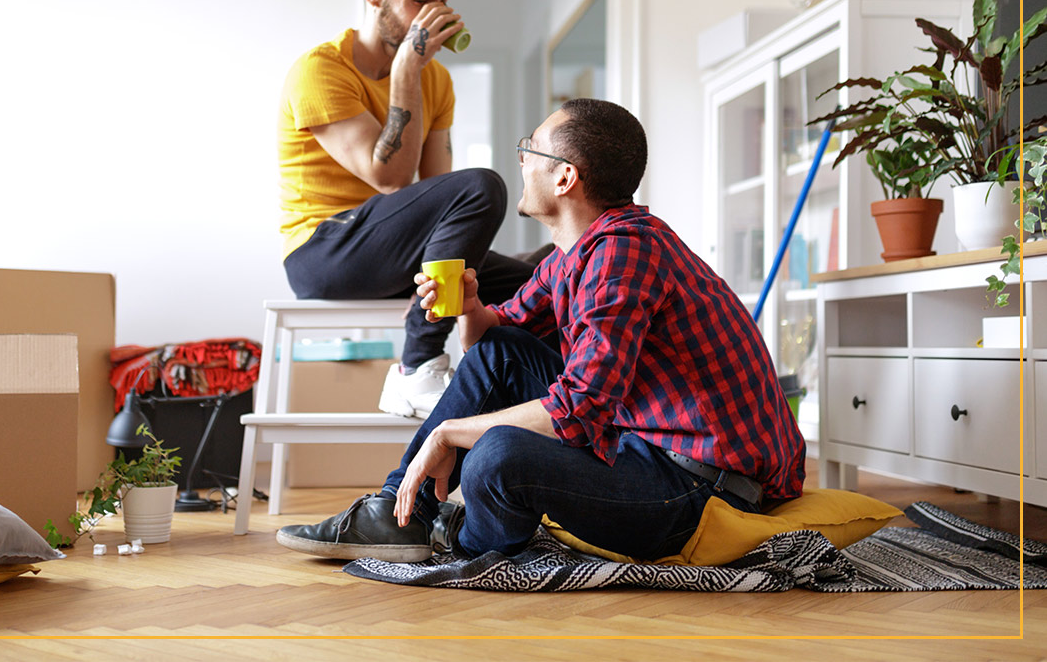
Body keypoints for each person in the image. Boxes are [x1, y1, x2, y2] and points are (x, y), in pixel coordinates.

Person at [276, 98, 807, 563]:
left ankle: (458, 535)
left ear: (564, 177)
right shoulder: (577, 252)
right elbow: (492, 343)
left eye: (531, 147)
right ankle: (396, 513)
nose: (522, 157)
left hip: (697, 486)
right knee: (504, 356)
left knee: (497, 456)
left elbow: (579, 408)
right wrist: (470, 305)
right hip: (643, 442)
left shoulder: (624, 252)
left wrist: (448, 431)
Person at [278, 0, 535, 418]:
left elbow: (438, 189)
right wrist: (405, 72)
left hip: (389, 249)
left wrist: (416, 74)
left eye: (444, 0)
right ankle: (417, 365)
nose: (437, 15)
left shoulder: (436, 79)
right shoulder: (321, 70)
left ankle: (500, 396)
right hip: (322, 250)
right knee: (484, 184)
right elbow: (391, 178)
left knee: (542, 280)